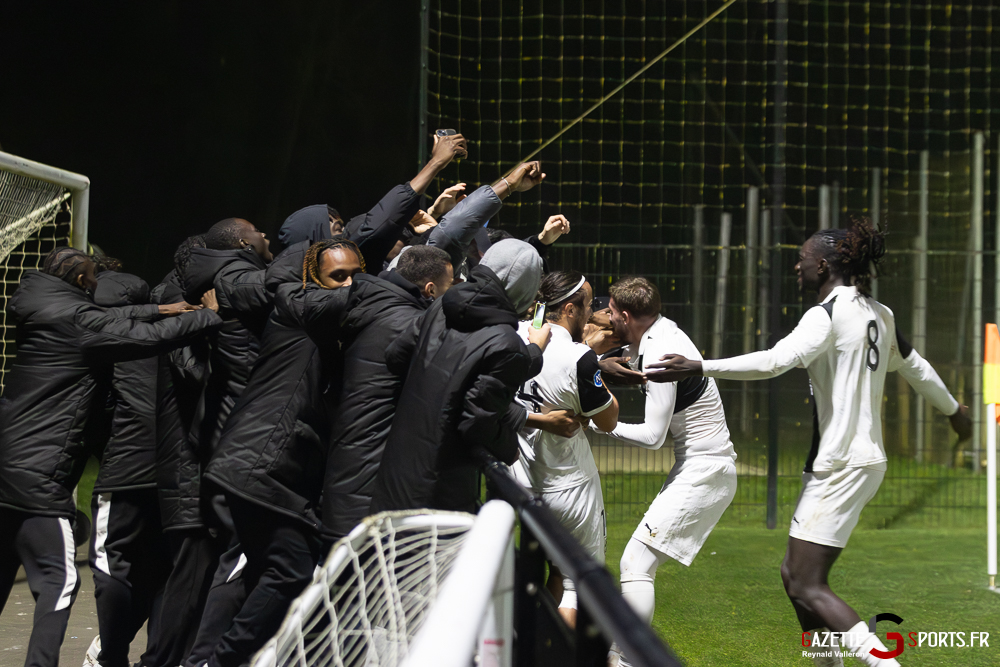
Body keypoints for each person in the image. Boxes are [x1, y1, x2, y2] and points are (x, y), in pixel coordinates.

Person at [644, 218, 972, 667]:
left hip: (840, 464)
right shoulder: (881, 314)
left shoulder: (827, 315)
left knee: (807, 583)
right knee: (793, 576)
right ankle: (827, 663)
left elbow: (775, 361)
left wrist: (699, 366)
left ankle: (884, 662)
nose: (796, 268)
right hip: (861, 462)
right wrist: (955, 412)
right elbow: (917, 368)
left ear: (822, 265)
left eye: (800, 260)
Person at [0, 247, 220, 667]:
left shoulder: (40, 306)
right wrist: (208, 315)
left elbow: (109, 320)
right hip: (40, 473)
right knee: (59, 581)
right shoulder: (80, 322)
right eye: (93, 280)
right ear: (83, 281)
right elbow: (145, 338)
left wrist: (159, 307)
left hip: (9, 461)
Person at [594, 276, 737, 667]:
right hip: (700, 466)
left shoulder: (659, 353)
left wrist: (600, 425)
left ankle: (622, 659)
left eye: (610, 313)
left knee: (635, 565)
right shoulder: (661, 330)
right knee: (637, 564)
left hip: (706, 470)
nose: (605, 318)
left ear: (625, 315)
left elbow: (654, 436)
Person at [369, 238, 553, 514]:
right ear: (524, 287)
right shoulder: (506, 342)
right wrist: (509, 447)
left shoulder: (441, 305)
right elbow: (478, 421)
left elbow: (397, 355)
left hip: (395, 468)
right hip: (442, 489)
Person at [513, 271, 619, 629]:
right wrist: (593, 361)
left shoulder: (514, 334)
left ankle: (532, 651)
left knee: (549, 575)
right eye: (589, 306)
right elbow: (607, 420)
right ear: (571, 309)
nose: (592, 315)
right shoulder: (579, 356)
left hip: (522, 481)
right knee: (577, 585)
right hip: (568, 487)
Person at [82, 271, 177, 667]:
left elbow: (95, 411)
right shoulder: (174, 335)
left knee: (111, 564)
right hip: (175, 470)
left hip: (125, 468)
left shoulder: (99, 343)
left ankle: (112, 656)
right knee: (164, 570)